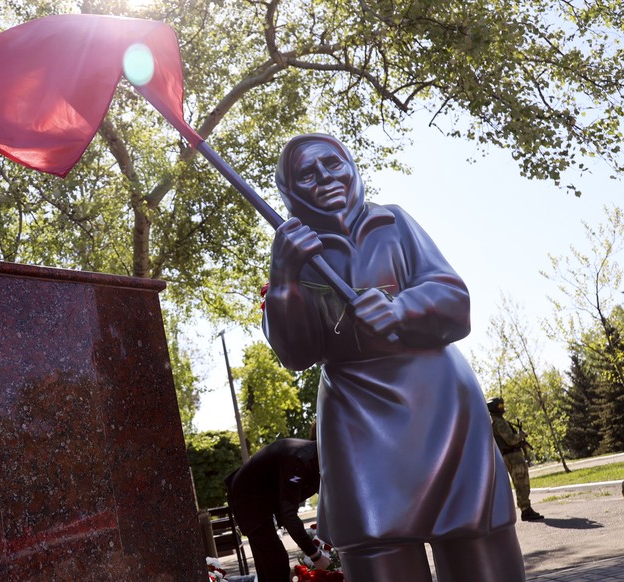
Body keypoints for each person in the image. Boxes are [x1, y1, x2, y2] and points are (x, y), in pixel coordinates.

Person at [261, 133, 526, 582]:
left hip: (440, 406)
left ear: (352, 166)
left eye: (333, 163)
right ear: (290, 192)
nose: (325, 176)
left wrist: (400, 308)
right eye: (307, 173)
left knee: (477, 541)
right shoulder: (295, 256)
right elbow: (296, 353)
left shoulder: (394, 224)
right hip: (357, 418)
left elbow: (454, 301)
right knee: (377, 548)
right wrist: (284, 278)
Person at [225, 437, 332, 581]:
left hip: (258, 497)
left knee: (270, 565)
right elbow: (289, 515)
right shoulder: (300, 461)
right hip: (248, 499)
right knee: (276, 562)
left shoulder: (319, 456)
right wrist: (315, 555)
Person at [487, 397, 545, 521]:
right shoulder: (499, 422)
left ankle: (526, 509)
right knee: (522, 483)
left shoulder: (494, 421)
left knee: (520, 483)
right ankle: (526, 510)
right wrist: (521, 435)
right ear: (493, 408)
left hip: (508, 455)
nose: (502, 408)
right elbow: (511, 440)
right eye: (499, 406)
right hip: (512, 457)